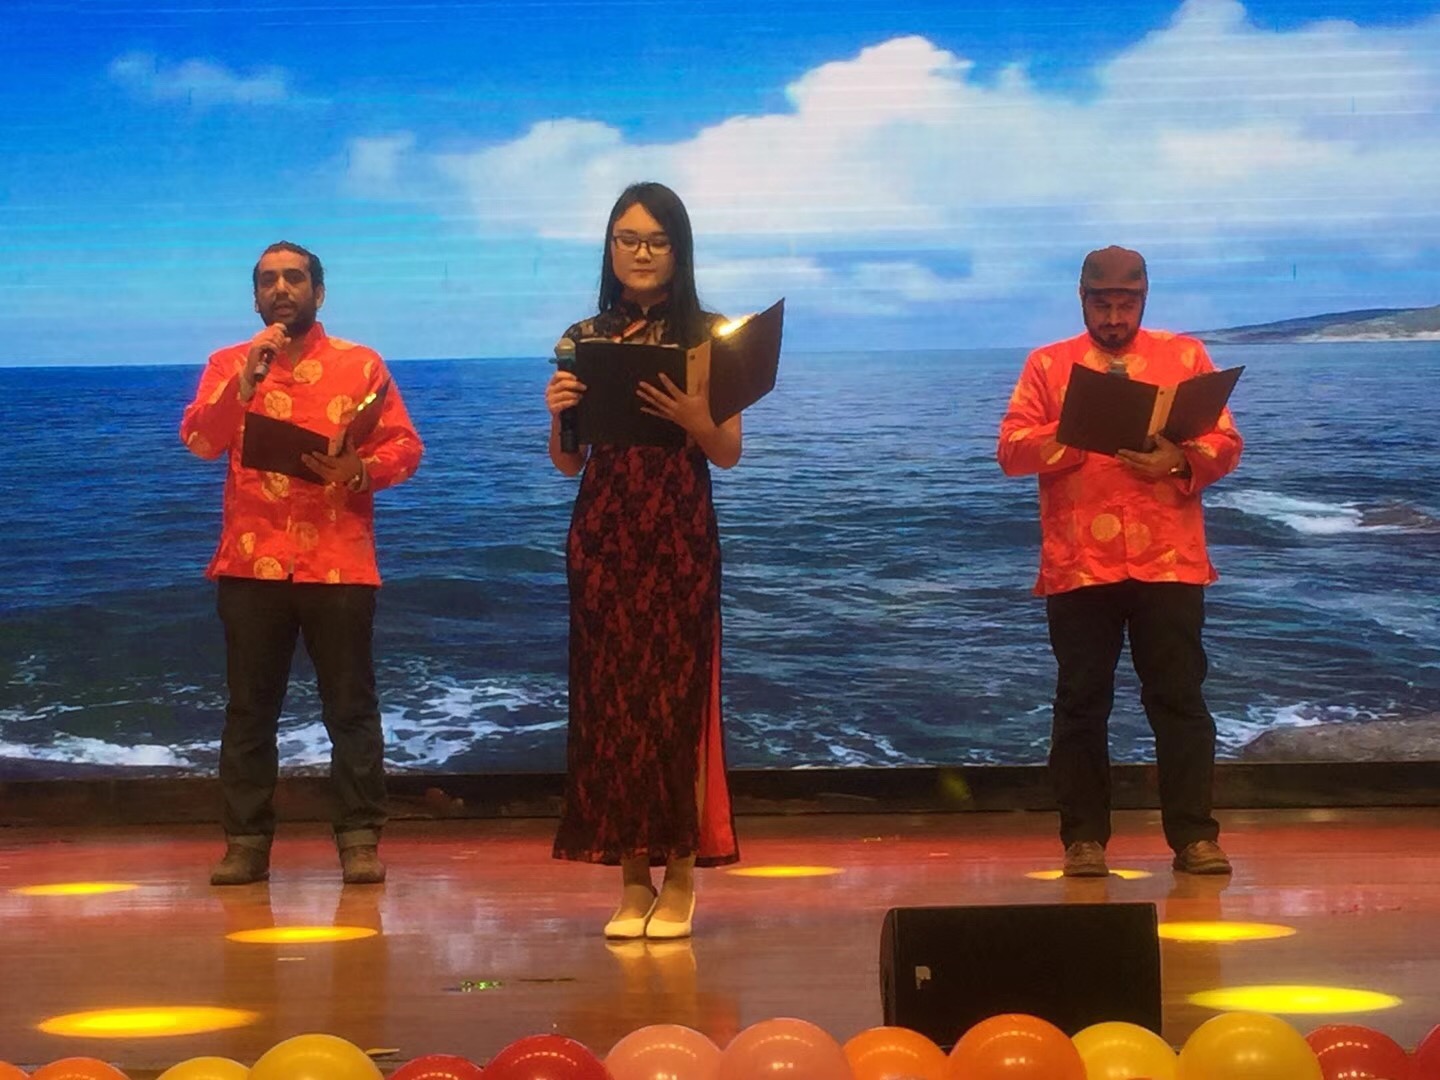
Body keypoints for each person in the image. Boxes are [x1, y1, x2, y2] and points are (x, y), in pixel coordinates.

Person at [181, 241, 423, 886]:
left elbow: (406, 446)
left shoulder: (361, 364)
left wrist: (360, 470)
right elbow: (200, 440)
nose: (281, 289)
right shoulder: (228, 364)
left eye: (294, 278)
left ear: (319, 292)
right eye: (269, 280)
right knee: (249, 712)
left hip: (338, 562)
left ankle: (360, 840)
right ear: (255, 297)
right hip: (250, 565)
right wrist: (243, 385)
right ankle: (245, 844)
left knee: (350, 709)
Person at [997, 246, 1243, 878]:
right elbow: (1011, 450)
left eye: (1125, 303)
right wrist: (1074, 434)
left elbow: (1224, 440)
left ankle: (1195, 839)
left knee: (1180, 699)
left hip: (1170, 560)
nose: (1113, 317)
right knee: (1081, 703)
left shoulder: (1184, 355)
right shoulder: (1047, 364)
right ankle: (1083, 842)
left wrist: (1178, 460)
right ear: (1082, 301)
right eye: (1102, 304)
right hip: (1080, 561)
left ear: (1144, 299)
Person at [544, 182, 741, 938]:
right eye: (627, 239)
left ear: (679, 249)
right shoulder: (583, 336)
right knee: (612, 706)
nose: (641, 253)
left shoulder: (711, 336)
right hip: (603, 533)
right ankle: (631, 881)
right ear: (610, 249)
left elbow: (728, 453)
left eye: (656, 240)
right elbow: (568, 463)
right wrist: (558, 412)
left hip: (679, 533)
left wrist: (695, 416)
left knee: (675, 703)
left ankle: (681, 876)